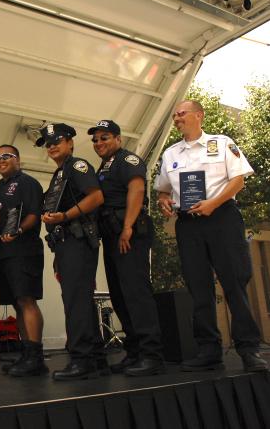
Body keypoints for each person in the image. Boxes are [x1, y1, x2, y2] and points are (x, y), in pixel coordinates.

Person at [155, 100, 268, 373]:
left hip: (222, 218)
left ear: (198, 115)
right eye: (175, 115)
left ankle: (249, 349)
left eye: (182, 113)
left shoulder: (222, 142)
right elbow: (163, 189)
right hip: (188, 224)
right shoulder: (171, 153)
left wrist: (213, 204)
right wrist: (163, 199)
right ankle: (208, 350)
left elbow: (238, 180)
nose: (177, 118)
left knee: (234, 282)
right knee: (198, 287)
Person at [88, 120, 165, 376]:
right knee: (120, 295)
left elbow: (136, 189)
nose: (99, 143)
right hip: (113, 234)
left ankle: (152, 355)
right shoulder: (104, 166)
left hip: (129, 233)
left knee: (136, 293)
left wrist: (128, 227)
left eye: (105, 137)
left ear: (118, 139)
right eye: (96, 139)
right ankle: (134, 353)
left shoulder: (127, 160)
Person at [39, 123, 104, 381]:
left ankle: (81, 360)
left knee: (76, 302)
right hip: (65, 242)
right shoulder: (60, 173)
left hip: (77, 240)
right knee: (79, 300)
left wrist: (64, 215)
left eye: (58, 140)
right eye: (48, 143)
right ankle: (96, 358)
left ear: (71, 143)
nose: (52, 145)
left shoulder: (77, 166)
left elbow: (96, 197)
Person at [0, 144, 47, 377]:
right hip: (4, 255)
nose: (1, 159)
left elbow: (34, 215)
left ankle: (36, 357)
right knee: (17, 304)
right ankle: (26, 354)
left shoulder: (27, 183)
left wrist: (19, 231)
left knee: (27, 300)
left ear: (18, 159)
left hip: (24, 250)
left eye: (7, 156)